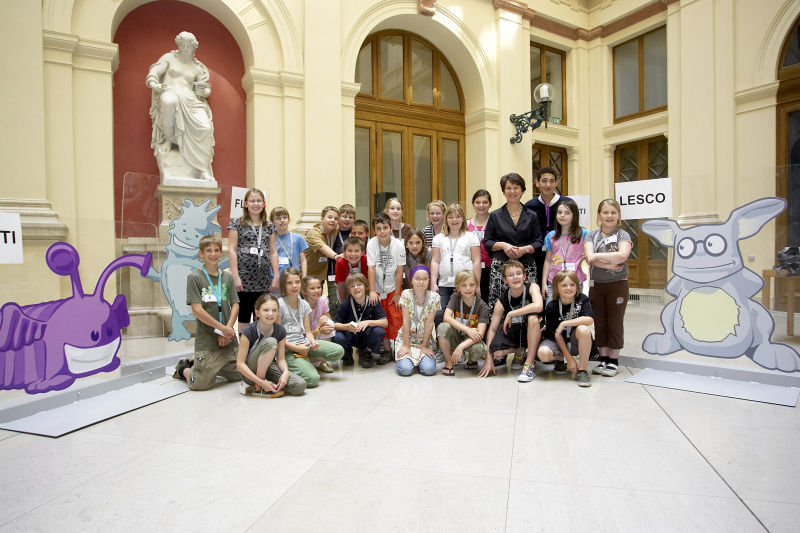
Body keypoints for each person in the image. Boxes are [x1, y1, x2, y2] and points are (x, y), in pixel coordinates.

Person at [146, 31, 215, 181]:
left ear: (194, 48)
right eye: (182, 45)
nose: (185, 49)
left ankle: (202, 169)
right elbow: (154, 73)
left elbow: (206, 89)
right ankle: (170, 140)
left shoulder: (197, 68)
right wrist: (155, 85)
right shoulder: (169, 58)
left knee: (205, 128)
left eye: (188, 46)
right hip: (170, 91)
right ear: (178, 45)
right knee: (168, 101)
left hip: (191, 100)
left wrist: (203, 92)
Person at [174, 235, 240, 390]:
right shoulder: (195, 278)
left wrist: (228, 330)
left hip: (228, 339)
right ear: (201, 253)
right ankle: (184, 367)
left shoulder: (227, 277)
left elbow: (235, 304)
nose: (213, 254)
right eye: (208, 250)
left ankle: (213, 368)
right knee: (199, 384)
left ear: (221, 253)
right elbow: (197, 310)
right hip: (208, 339)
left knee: (240, 375)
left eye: (216, 250)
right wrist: (222, 329)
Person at [584, 199, 632, 378]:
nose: (609, 216)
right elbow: (589, 258)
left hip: (617, 285)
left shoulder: (623, 235)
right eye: (605, 212)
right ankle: (603, 358)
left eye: (613, 212)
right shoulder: (591, 236)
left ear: (619, 215)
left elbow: (623, 255)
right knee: (600, 322)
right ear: (599, 215)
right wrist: (610, 263)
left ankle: (613, 361)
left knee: (614, 321)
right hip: (596, 285)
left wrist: (597, 257)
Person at [483, 173, 543, 312]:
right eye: (508, 188)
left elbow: (538, 242)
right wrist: (503, 245)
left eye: (516, 188)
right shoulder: (495, 215)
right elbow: (487, 241)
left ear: (523, 191)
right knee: (499, 304)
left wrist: (525, 249)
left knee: (527, 303)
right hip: (501, 267)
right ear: (503, 191)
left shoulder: (532, 215)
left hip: (526, 265)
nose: (512, 191)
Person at [277, 268, 344, 388]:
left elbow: (307, 332)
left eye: (297, 282)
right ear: (283, 285)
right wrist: (296, 348)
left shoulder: (304, 304)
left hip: (304, 343)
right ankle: (287, 367)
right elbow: (277, 338)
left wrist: (313, 342)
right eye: (289, 283)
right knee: (313, 379)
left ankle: (303, 361)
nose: (294, 286)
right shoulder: (279, 305)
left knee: (338, 351)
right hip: (287, 349)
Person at [236, 293, 307, 397]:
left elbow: (281, 359)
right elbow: (240, 364)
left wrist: (285, 373)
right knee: (271, 342)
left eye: (274, 310)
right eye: (266, 310)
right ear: (257, 312)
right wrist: (261, 382)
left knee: (300, 385)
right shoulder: (248, 331)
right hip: (249, 371)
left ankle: (269, 384)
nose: (270, 314)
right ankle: (259, 385)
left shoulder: (280, 330)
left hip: (268, 366)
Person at [482, 260, 543, 379]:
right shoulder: (502, 299)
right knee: (497, 352)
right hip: (516, 331)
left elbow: (538, 306)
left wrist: (512, 313)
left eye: (518, 273)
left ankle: (529, 364)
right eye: (510, 275)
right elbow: (492, 329)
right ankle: (520, 351)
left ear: (524, 276)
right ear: (505, 280)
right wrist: (488, 357)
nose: (515, 277)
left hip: (535, 330)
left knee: (532, 319)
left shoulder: (532, 287)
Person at [227, 188, 279, 330]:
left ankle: (260, 343)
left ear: (264, 204)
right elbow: (232, 250)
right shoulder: (236, 224)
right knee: (244, 315)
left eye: (259, 201)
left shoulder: (269, 226)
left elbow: (273, 252)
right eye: (252, 201)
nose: (256, 204)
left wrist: (276, 276)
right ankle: (244, 343)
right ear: (245, 204)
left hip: (263, 279)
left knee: (262, 315)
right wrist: (235, 276)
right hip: (243, 279)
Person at [536, 271, 595, 387]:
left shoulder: (582, 299)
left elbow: (589, 320)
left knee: (584, 329)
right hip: (558, 341)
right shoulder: (551, 306)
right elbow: (556, 336)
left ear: (577, 286)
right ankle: (561, 359)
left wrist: (564, 323)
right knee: (543, 353)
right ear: (556, 288)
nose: (569, 288)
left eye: (572, 285)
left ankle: (582, 371)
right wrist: (568, 359)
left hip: (575, 341)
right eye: (564, 285)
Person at [367, 212, 406, 364]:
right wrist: (372, 290)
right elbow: (371, 268)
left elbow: (399, 271)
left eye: (385, 227)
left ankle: (399, 349)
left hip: (393, 288)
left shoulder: (399, 245)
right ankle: (386, 350)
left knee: (396, 319)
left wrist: (397, 293)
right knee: (381, 319)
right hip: (377, 289)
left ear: (390, 228)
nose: (382, 231)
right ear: (374, 231)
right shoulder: (371, 244)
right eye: (378, 228)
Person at [431, 203, 481, 321]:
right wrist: (433, 283)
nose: (454, 220)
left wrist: (477, 284)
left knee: (464, 315)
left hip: (466, 284)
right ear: (446, 219)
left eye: (458, 216)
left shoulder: (471, 237)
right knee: (439, 314)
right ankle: (442, 334)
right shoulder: (438, 238)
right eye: (451, 217)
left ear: (463, 219)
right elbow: (435, 261)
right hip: (444, 285)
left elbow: (476, 261)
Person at [436, 270, 490, 376]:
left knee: (479, 349)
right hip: (458, 333)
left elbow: (480, 333)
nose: (468, 288)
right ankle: (448, 363)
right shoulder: (455, 297)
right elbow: (446, 317)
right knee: (443, 327)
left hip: (471, 338)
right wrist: (467, 329)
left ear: (476, 286)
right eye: (464, 285)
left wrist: (461, 346)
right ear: (458, 288)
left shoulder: (482, 306)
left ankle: (471, 360)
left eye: (471, 285)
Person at [333, 273, 389, 369]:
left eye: (359, 284)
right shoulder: (346, 304)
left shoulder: (373, 301)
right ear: (349, 291)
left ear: (366, 286)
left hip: (366, 336)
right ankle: (347, 354)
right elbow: (334, 324)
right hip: (350, 335)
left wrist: (368, 322)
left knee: (379, 331)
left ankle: (368, 353)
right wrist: (347, 327)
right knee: (337, 336)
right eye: (352, 286)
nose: (356, 288)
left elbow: (385, 323)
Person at [525, 167, 569, 280]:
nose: (548, 185)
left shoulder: (567, 203)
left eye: (551, 181)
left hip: (562, 253)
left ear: (556, 183)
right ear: (537, 183)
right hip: (536, 255)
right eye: (544, 181)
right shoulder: (529, 206)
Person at [395, 265, 440, 376]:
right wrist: (406, 345)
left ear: (429, 281)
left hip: (423, 341)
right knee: (405, 370)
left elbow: (429, 323)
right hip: (407, 339)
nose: (421, 282)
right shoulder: (406, 294)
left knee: (429, 370)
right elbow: (406, 321)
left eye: (425, 279)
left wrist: (424, 347)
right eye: (417, 279)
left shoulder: (435, 298)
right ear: (411, 280)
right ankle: (407, 358)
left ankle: (421, 359)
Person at [541, 199, 588, 302]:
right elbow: (548, 261)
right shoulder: (551, 236)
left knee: (574, 310)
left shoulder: (583, 234)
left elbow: (589, 254)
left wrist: (582, 259)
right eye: (559, 212)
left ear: (574, 215)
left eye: (567, 213)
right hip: (554, 281)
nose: (562, 215)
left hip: (574, 282)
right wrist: (544, 283)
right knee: (551, 309)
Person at [304, 206, 342, 316]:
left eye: (336, 218)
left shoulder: (335, 231)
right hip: (310, 274)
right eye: (329, 217)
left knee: (322, 304)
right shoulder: (314, 233)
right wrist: (336, 256)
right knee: (309, 304)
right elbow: (322, 247)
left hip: (324, 272)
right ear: (322, 219)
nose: (333, 220)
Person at [301, 276, 337, 373]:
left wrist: (325, 318)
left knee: (329, 324)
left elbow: (330, 320)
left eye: (318, 287)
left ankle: (321, 361)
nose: (316, 290)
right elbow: (303, 334)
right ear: (304, 291)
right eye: (312, 288)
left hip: (318, 335)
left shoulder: (322, 301)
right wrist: (318, 331)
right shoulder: (301, 305)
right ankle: (313, 360)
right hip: (305, 338)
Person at [270, 206, 308, 285]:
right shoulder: (270, 239)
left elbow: (303, 260)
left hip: (293, 280)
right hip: (276, 280)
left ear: (289, 220)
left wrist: (304, 278)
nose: (282, 220)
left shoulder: (298, 238)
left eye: (284, 217)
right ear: (272, 222)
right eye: (278, 218)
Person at [468, 190, 492, 304]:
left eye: (485, 202)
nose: (481, 205)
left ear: (490, 204)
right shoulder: (466, 224)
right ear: (473, 204)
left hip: (491, 267)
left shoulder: (495, 222)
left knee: (488, 299)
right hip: (472, 268)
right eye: (478, 202)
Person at [335, 236, 368, 303]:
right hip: (346, 289)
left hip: (364, 289)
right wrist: (343, 302)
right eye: (350, 251)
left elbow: (368, 282)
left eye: (356, 251)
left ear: (362, 252)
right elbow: (341, 284)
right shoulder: (340, 262)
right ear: (344, 252)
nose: (353, 254)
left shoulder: (366, 260)